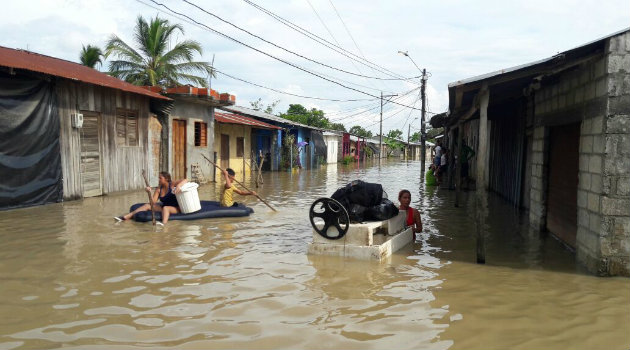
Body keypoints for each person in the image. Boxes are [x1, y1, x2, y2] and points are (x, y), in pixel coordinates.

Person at [115, 172, 187, 225]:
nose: (158, 180)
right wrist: (149, 192)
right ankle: (126, 217)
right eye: (158, 178)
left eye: (160, 178)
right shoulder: (159, 189)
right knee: (148, 205)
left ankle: (163, 225)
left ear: (166, 179)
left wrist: (178, 186)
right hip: (165, 206)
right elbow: (153, 202)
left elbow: (186, 180)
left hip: (176, 208)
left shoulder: (172, 184)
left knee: (166, 208)